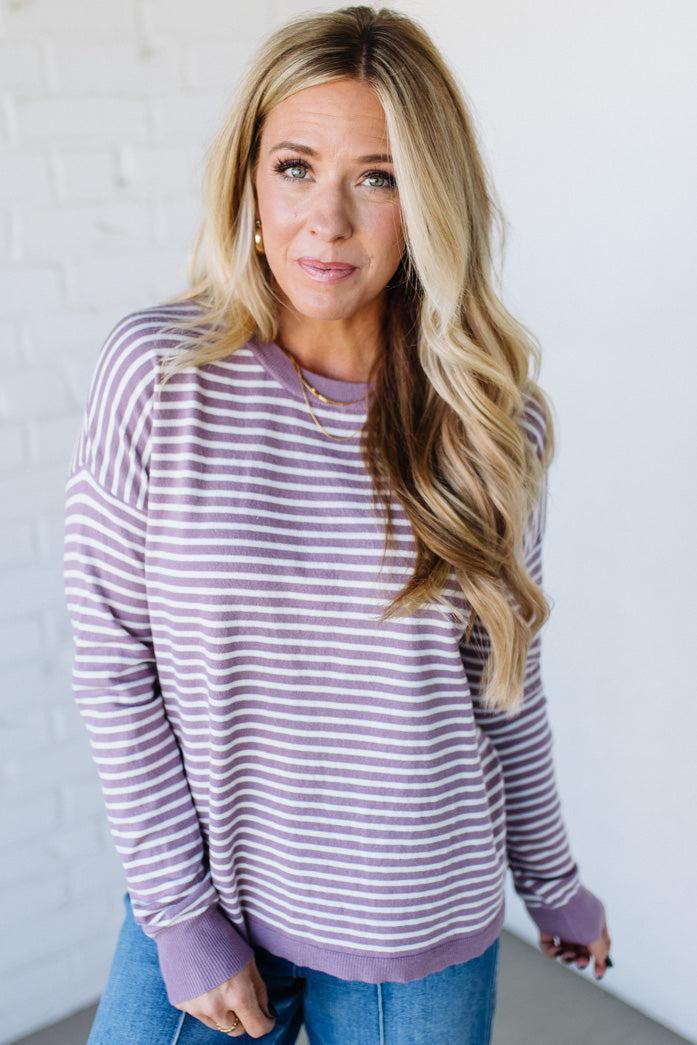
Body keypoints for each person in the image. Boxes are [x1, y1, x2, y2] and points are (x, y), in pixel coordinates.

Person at [62, 5, 612, 1042]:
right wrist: (178, 914)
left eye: (378, 177)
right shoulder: (158, 376)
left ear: (429, 201)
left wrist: (552, 882)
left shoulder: (492, 422)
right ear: (248, 179)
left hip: (418, 917)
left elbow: (504, 685)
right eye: (295, 168)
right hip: (211, 901)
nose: (327, 221)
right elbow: (113, 660)